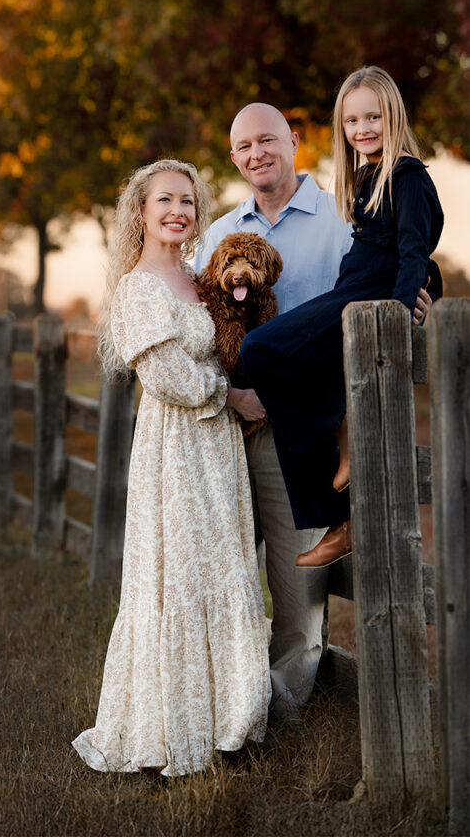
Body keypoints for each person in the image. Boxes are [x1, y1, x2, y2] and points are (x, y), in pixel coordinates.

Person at [193, 95, 434, 719]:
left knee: (299, 595)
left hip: (301, 427)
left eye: (268, 139)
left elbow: (397, 258)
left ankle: (279, 713)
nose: (257, 153)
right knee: (218, 576)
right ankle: (220, 706)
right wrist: (230, 396)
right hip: (228, 423)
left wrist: (422, 290)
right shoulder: (219, 234)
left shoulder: (342, 210)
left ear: (294, 139)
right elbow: (197, 329)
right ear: (233, 157)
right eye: (244, 146)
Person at [73, 159, 270, 777]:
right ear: (141, 212)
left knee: (226, 564)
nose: (178, 211)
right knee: (182, 573)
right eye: (165, 201)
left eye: (187, 201)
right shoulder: (138, 288)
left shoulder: (196, 277)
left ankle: (230, 724)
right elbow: (166, 377)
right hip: (178, 447)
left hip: (219, 450)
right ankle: (175, 729)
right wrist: (232, 398)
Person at [239, 66, 443, 569]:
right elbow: (398, 247)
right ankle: (337, 514)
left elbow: (415, 253)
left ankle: (336, 442)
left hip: (366, 302)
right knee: (275, 357)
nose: (363, 129)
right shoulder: (368, 176)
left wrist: (399, 318)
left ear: (392, 115)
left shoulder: (408, 174)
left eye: (373, 116)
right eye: (352, 121)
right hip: (350, 290)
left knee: (260, 348)